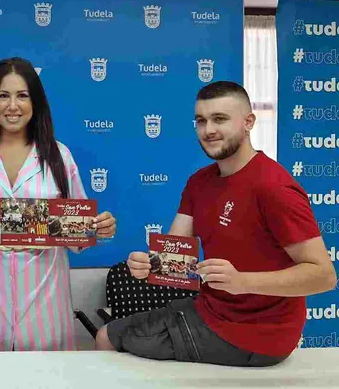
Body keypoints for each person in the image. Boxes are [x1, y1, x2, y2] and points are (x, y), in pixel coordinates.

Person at [95, 81, 336, 366]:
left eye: (219, 119)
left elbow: (324, 276)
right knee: (105, 336)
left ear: (249, 122)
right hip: (210, 310)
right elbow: (173, 256)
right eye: (201, 120)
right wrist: (147, 265)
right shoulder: (200, 182)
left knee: (106, 338)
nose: (208, 130)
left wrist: (243, 281)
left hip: (259, 335)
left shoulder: (274, 187)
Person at [0, 57, 117, 351]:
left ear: (36, 102)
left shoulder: (59, 156)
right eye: (3, 95)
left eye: (22, 95)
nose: (12, 106)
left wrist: (99, 227)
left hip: (45, 299)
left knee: (48, 386)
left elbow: (79, 234)